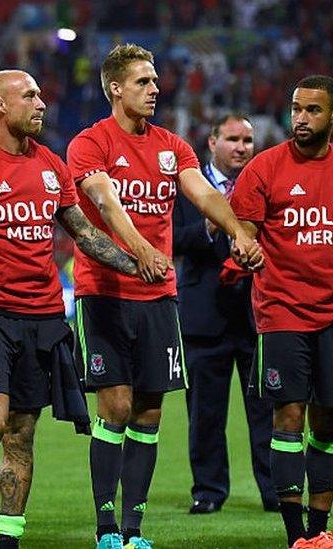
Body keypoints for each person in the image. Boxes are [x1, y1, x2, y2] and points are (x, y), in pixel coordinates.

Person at [0, 69, 138, 549]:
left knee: (22, 432)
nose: (41, 103)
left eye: (41, 94)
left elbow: (82, 233)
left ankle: (9, 541)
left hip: (42, 316)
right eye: (29, 95)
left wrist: (135, 263)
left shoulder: (51, 165)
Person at [65, 43, 261, 549]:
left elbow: (204, 194)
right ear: (115, 88)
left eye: (155, 82)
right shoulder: (90, 143)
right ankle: (106, 527)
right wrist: (143, 253)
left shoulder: (174, 146)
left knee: (149, 413)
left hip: (159, 298)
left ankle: (134, 530)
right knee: (116, 407)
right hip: (104, 294)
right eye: (143, 82)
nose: (154, 89)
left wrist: (238, 232)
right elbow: (106, 204)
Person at [230, 74, 333, 549]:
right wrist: (245, 248)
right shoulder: (265, 169)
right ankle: (296, 536)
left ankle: (319, 529)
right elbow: (243, 231)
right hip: (282, 312)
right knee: (287, 419)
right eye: (296, 109)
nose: (301, 119)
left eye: (312, 110)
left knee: (327, 423)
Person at [174, 113, 276, 514]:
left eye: (248, 140)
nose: (241, 147)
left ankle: (275, 491)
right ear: (212, 143)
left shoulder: (264, 184)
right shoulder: (186, 188)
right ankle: (209, 492)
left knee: (266, 410)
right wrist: (213, 225)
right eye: (232, 139)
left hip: (258, 315)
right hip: (205, 315)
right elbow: (172, 240)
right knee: (205, 414)